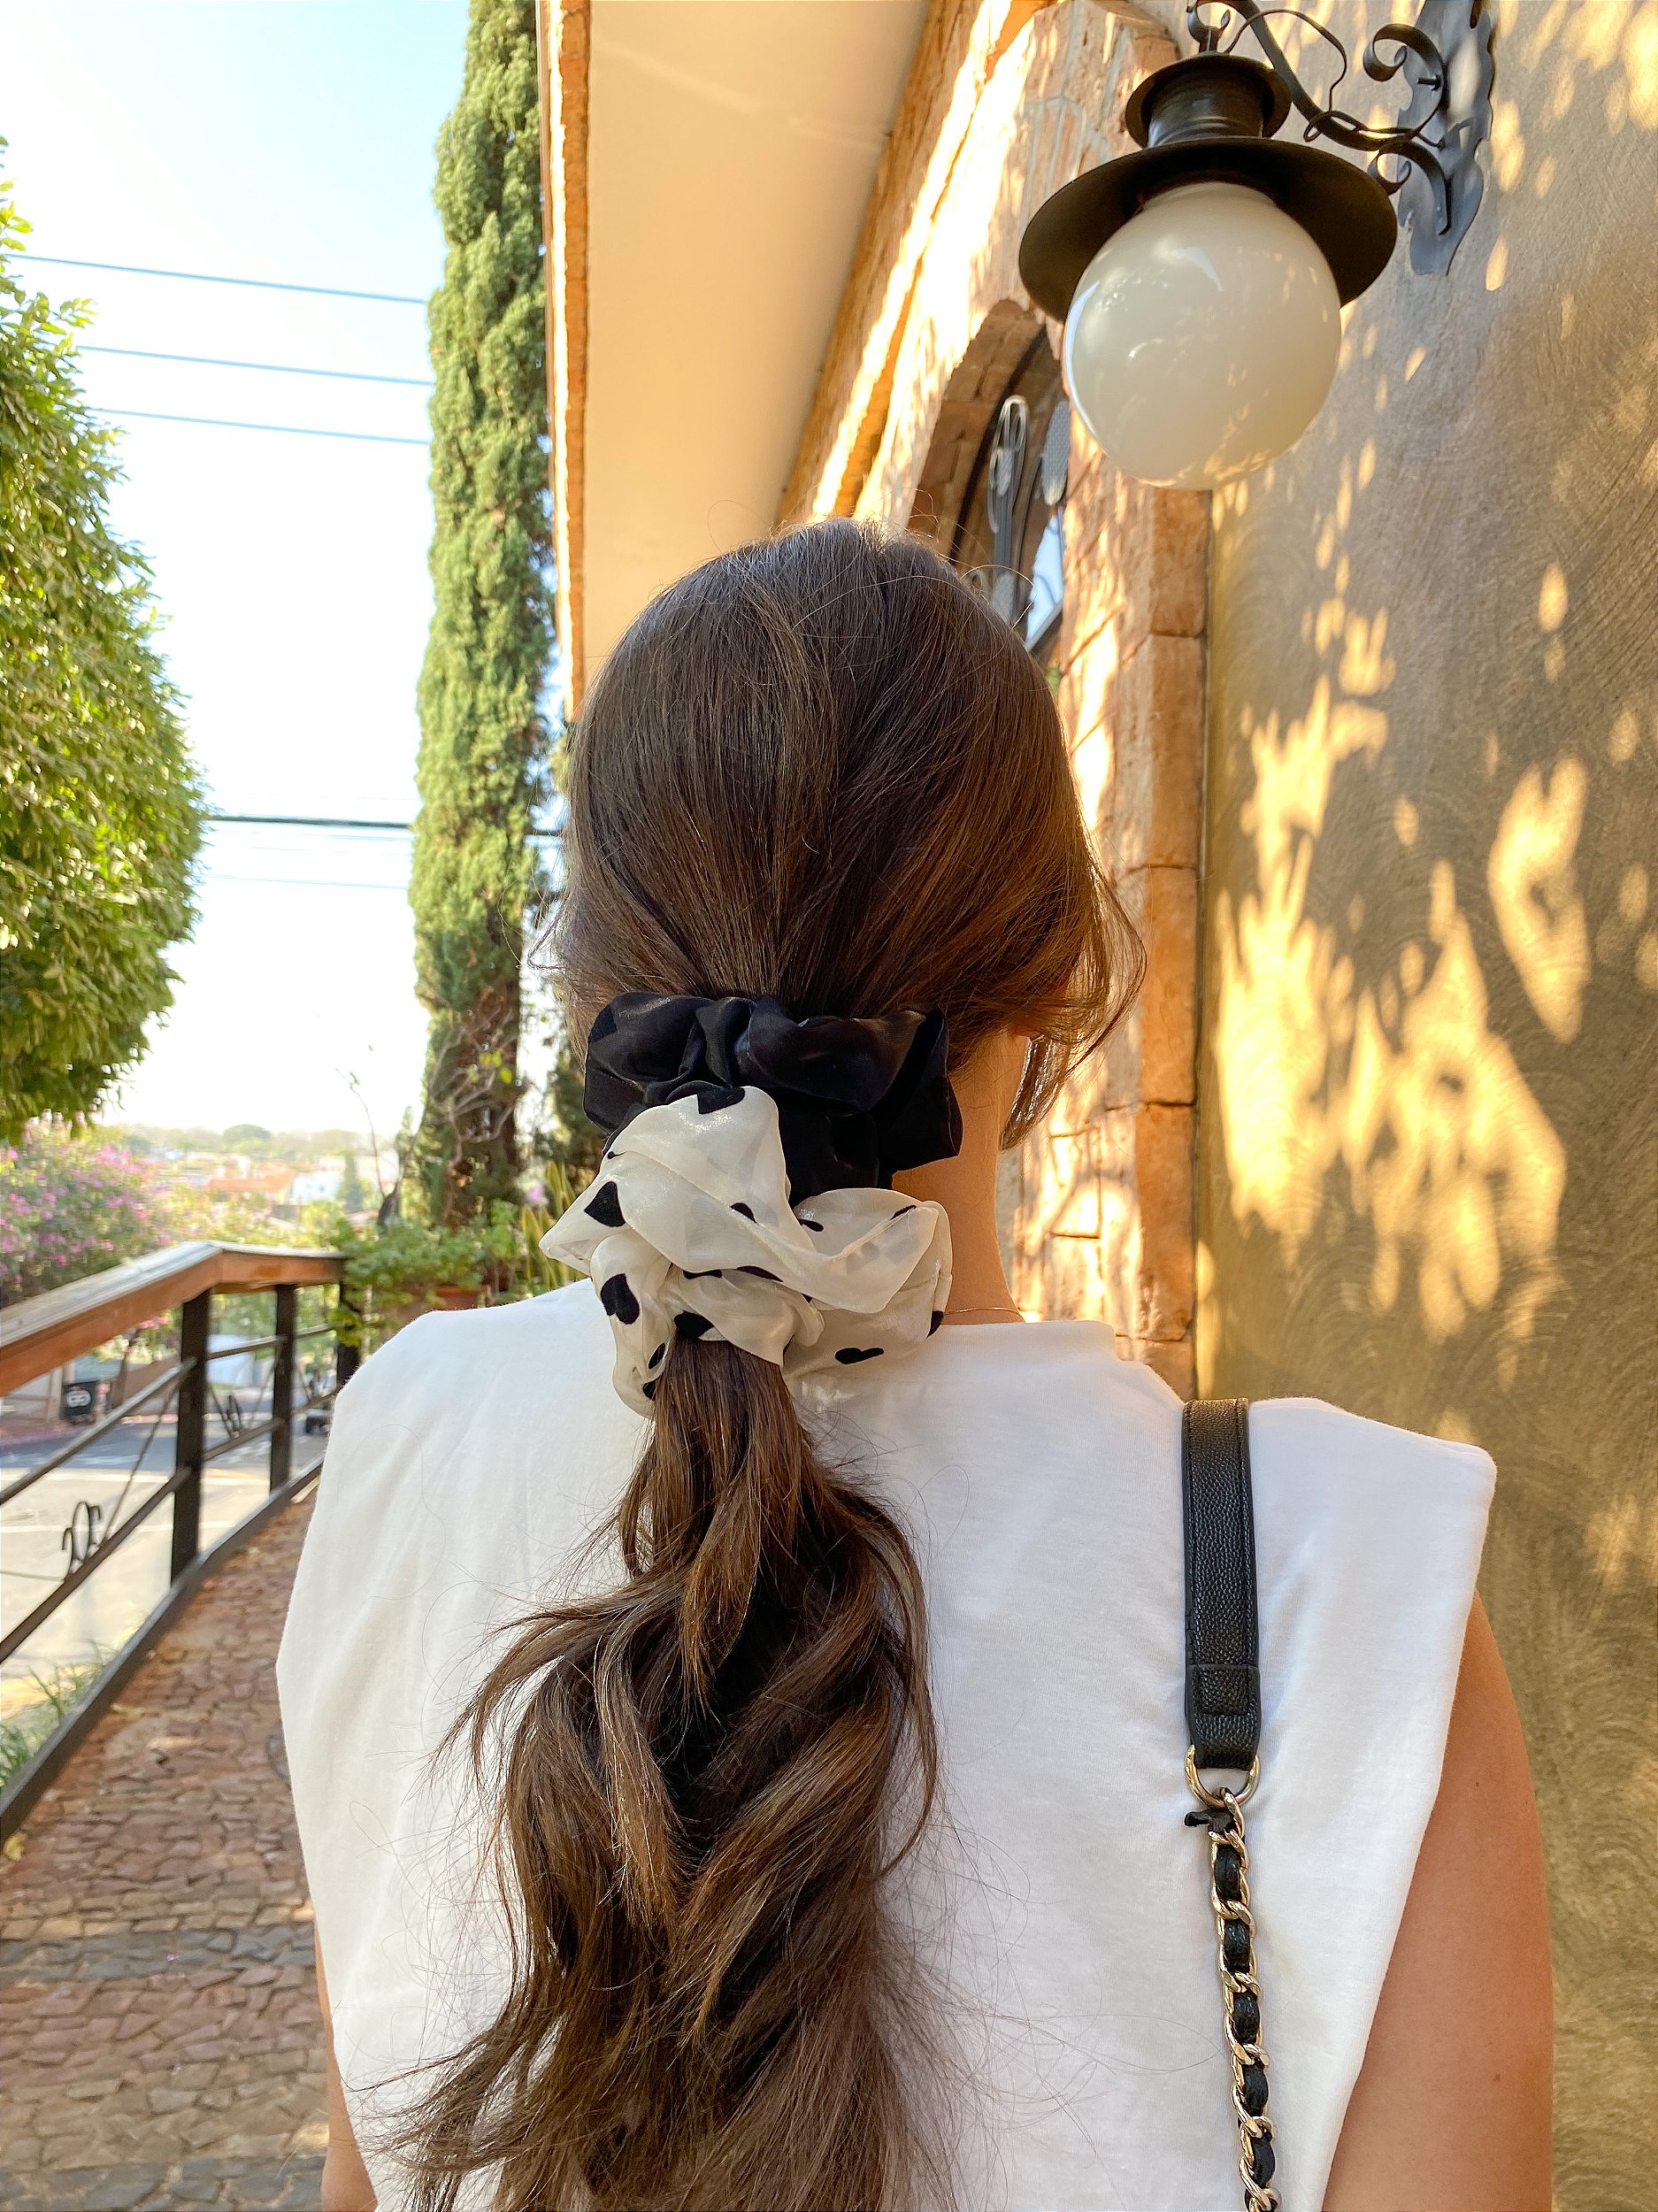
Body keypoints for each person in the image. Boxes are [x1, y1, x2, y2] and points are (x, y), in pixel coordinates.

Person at [277, 521, 1551, 2212]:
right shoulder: (1347, 1564)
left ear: (601, 994)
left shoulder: (402, 1433)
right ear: (1062, 976)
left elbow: (374, 2140)